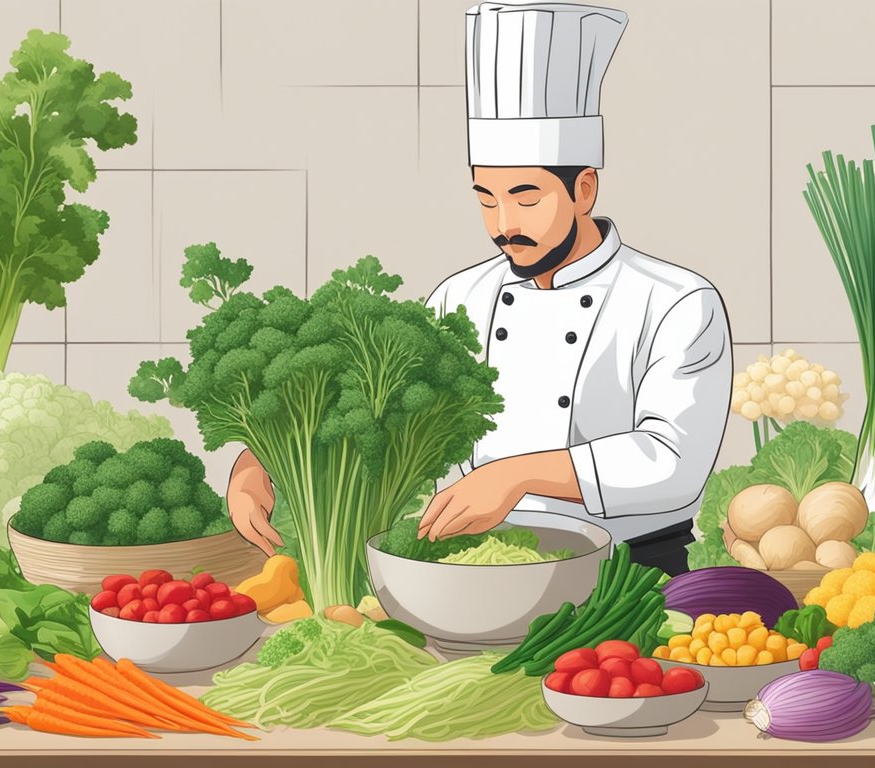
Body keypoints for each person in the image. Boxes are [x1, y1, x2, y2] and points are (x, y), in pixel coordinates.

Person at [226, 1, 732, 576]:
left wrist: (516, 474)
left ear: (584, 190)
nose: (502, 224)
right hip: (474, 563)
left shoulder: (676, 301)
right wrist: (258, 461)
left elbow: (672, 462)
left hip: (631, 572)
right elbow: (375, 413)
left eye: (524, 196)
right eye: (485, 198)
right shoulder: (458, 296)